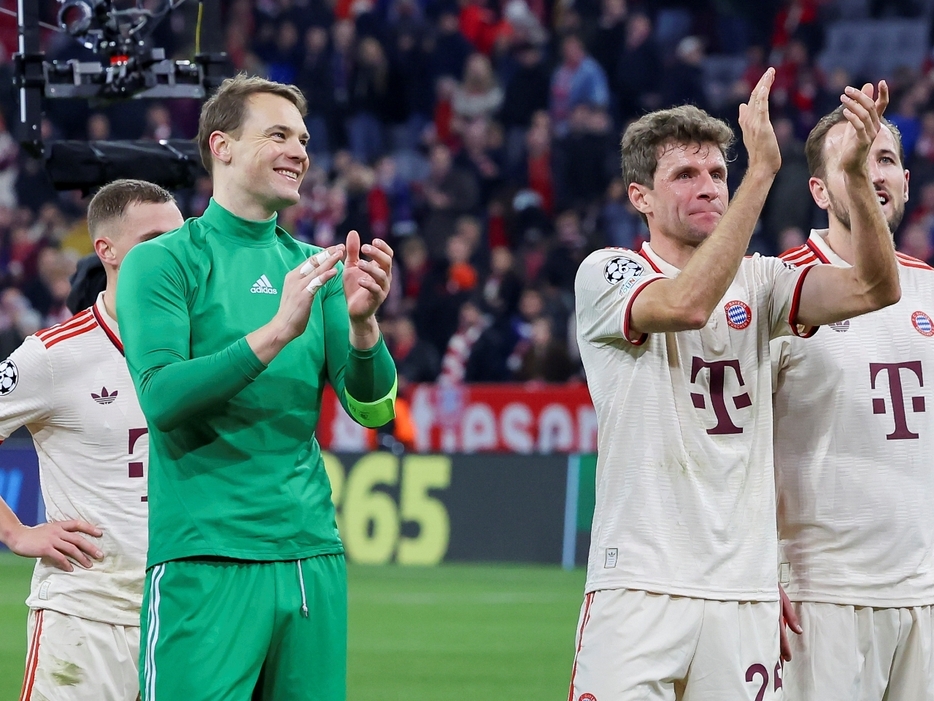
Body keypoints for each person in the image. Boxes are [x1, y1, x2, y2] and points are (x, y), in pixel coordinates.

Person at [569, 69, 901, 701]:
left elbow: (876, 288)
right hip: (639, 585)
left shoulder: (764, 282)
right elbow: (689, 303)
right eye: (685, 175)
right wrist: (760, 176)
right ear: (640, 197)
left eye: (719, 173)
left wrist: (855, 177)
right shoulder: (607, 272)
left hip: (742, 595)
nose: (709, 187)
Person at [116, 74, 397, 701]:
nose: (299, 150)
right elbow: (161, 397)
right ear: (222, 146)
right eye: (277, 135)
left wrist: (363, 327)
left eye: (302, 138)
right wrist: (275, 331)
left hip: (309, 557)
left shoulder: (314, 271)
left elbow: (374, 409)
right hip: (205, 558)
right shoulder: (163, 262)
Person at [772, 103, 934, 699]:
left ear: (906, 181)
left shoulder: (931, 291)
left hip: (924, 595)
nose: (873, 173)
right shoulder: (776, 289)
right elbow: (733, 451)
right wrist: (757, 573)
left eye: (885, 158)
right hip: (821, 596)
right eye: (853, 161)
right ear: (819, 190)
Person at [0, 179, 184, 701]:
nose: (172, 252)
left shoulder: (206, 345)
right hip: (86, 621)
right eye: (153, 239)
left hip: (185, 619)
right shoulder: (55, 355)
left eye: (179, 237)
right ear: (106, 250)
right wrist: (16, 533)